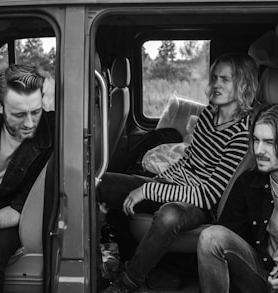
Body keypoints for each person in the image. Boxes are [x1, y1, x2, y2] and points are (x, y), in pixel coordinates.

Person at [98, 53, 259, 292]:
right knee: (103, 183)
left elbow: (210, 194)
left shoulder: (242, 133)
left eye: (225, 79)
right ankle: (117, 262)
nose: (216, 84)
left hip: (200, 205)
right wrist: (160, 182)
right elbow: (187, 161)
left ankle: (127, 283)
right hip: (173, 185)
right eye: (214, 77)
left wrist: (150, 190)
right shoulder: (208, 115)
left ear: (243, 84)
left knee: (169, 215)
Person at [0, 64, 54, 292]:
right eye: (19, 114)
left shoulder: (49, 140)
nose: (30, 123)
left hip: (8, 210)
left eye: (36, 110)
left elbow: (19, 208)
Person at [197, 104, 278, 293]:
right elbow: (229, 234)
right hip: (263, 273)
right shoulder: (249, 183)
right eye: (255, 140)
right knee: (211, 237)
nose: (258, 150)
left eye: (268, 142)